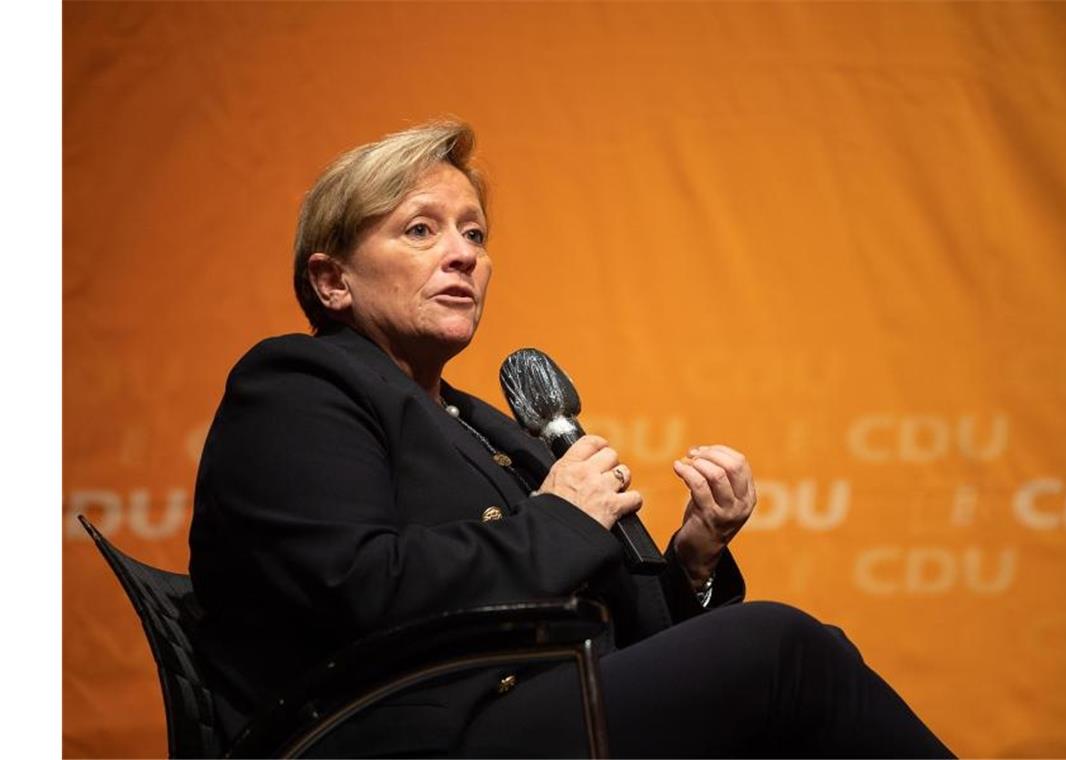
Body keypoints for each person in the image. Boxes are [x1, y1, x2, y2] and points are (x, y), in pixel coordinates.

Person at [189, 120, 954, 758]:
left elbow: (630, 635)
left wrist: (692, 560)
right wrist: (559, 521)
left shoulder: (485, 424)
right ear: (332, 281)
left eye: (475, 234)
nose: (464, 255)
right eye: (420, 229)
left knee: (815, 658)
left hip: (525, 713)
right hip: (404, 735)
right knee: (783, 650)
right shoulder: (299, 384)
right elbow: (353, 586)